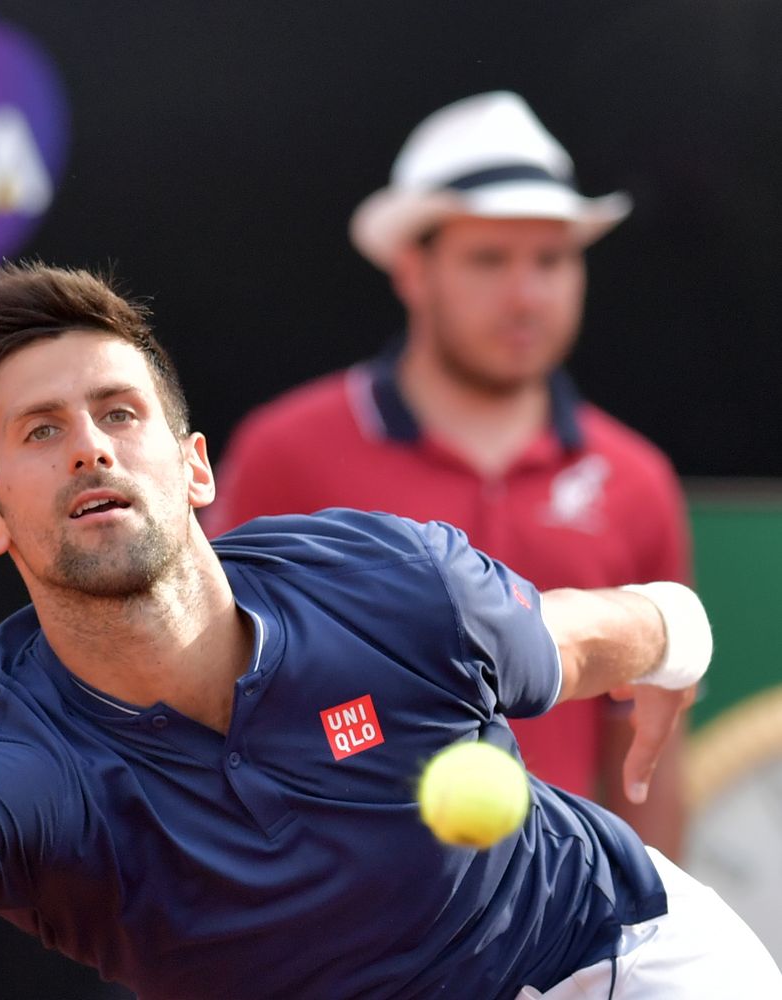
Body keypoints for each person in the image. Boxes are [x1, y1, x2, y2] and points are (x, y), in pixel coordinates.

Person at [0, 261, 780, 998]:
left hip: (610, 963)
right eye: (40, 431)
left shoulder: (388, 583)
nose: (90, 447)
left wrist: (678, 635)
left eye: (118, 413)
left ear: (193, 467)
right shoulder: (21, 765)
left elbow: (589, 635)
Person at [204, 91, 691, 856]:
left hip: (564, 946)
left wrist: (652, 924)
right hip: (331, 935)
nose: (526, 294)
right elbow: (208, 701)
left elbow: (646, 756)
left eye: (553, 259)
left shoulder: (638, 479)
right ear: (411, 268)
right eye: (489, 259)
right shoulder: (285, 452)